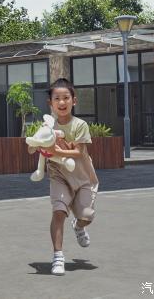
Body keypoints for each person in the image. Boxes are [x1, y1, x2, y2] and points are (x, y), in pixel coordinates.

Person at [38, 78, 98, 276]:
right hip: (59, 175)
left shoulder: (80, 125)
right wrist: (38, 146)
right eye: (57, 98)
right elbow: (36, 146)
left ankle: (78, 226)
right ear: (50, 103)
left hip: (82, 177)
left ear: (74, 100)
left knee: (87, 216)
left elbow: (79, 152)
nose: (62, 102)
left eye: (66, 97)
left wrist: (56, 150)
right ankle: (58, 256)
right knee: (58, 212)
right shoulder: (47, 126)